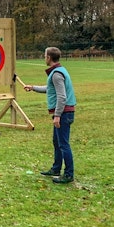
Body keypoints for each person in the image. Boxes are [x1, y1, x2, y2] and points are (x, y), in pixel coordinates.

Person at [24, 47, 77, 184]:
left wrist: (58, 115)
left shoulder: (56, 74)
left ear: (49, 58)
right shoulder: (57, 72)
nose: (44, 58)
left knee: (64, 144)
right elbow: (50, 89)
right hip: (64, 112)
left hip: (64, 113)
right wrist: (33, 87)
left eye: (45, 56)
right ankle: (56, 169)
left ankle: (68, 174)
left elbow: (62, 96)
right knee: (57, 142)